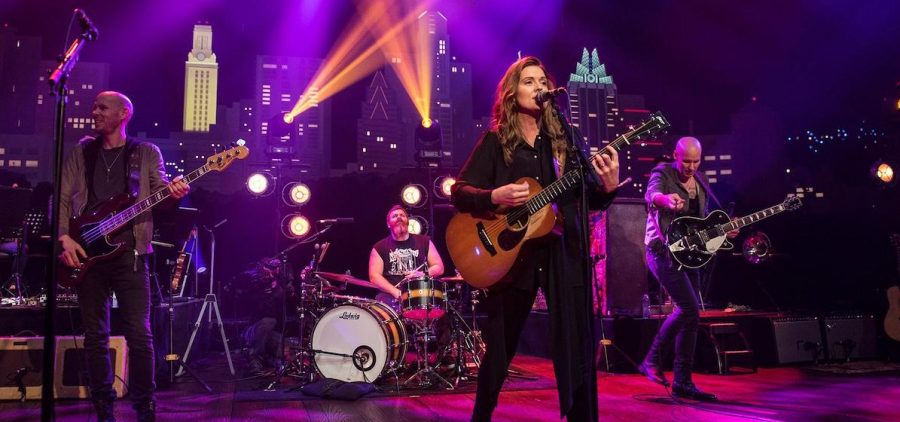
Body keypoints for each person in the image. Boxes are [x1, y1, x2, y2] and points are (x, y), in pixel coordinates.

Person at [451, 56, 620, 422]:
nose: (539, 87)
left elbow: (585, 197)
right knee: (498, 349)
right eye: (529, 81)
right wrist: (493, 196)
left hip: (562, 251)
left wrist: (607, 189)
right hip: (512, 259)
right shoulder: (497, 141)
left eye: (543, 81)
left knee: (576, 345)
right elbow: (459, 192)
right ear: (512, 93)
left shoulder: (566, 140)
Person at [58, 91, 190, 422]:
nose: (94, 112)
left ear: (123, 114)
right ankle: (103, 408)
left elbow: (160, 195)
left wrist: (173, 194)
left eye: (102, 107)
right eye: (94, 107)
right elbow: (62, 196)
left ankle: (145, 408)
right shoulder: (82, 151)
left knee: (140, 334)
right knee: (95, 336)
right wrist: (64, 238)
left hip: (129, 254)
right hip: (86, 250)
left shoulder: (145, 152)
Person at [639, 136, 735, 401]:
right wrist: (665, 200)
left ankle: (683, 381)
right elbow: (652, 194)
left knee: (692, 316)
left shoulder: (701, 181)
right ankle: (652, 360)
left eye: (696, 161)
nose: (691, 166)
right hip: (662, 252)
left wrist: (725, 232)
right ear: (675, 156)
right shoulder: (663, 172)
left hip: (690, 254)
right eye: (687, 161)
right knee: (689, 308)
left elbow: (702, 223)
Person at [368, 204, 445, 304]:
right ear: (388, 224)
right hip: (391, 296)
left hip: (419, 292)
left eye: (402, 215)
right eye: (395, 216)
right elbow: (374, 276)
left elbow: (439, 267)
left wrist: (421, 274)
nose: (399, 217)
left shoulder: (424, 241)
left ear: (408, 221)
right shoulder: (379, 247)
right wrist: (396, 292)